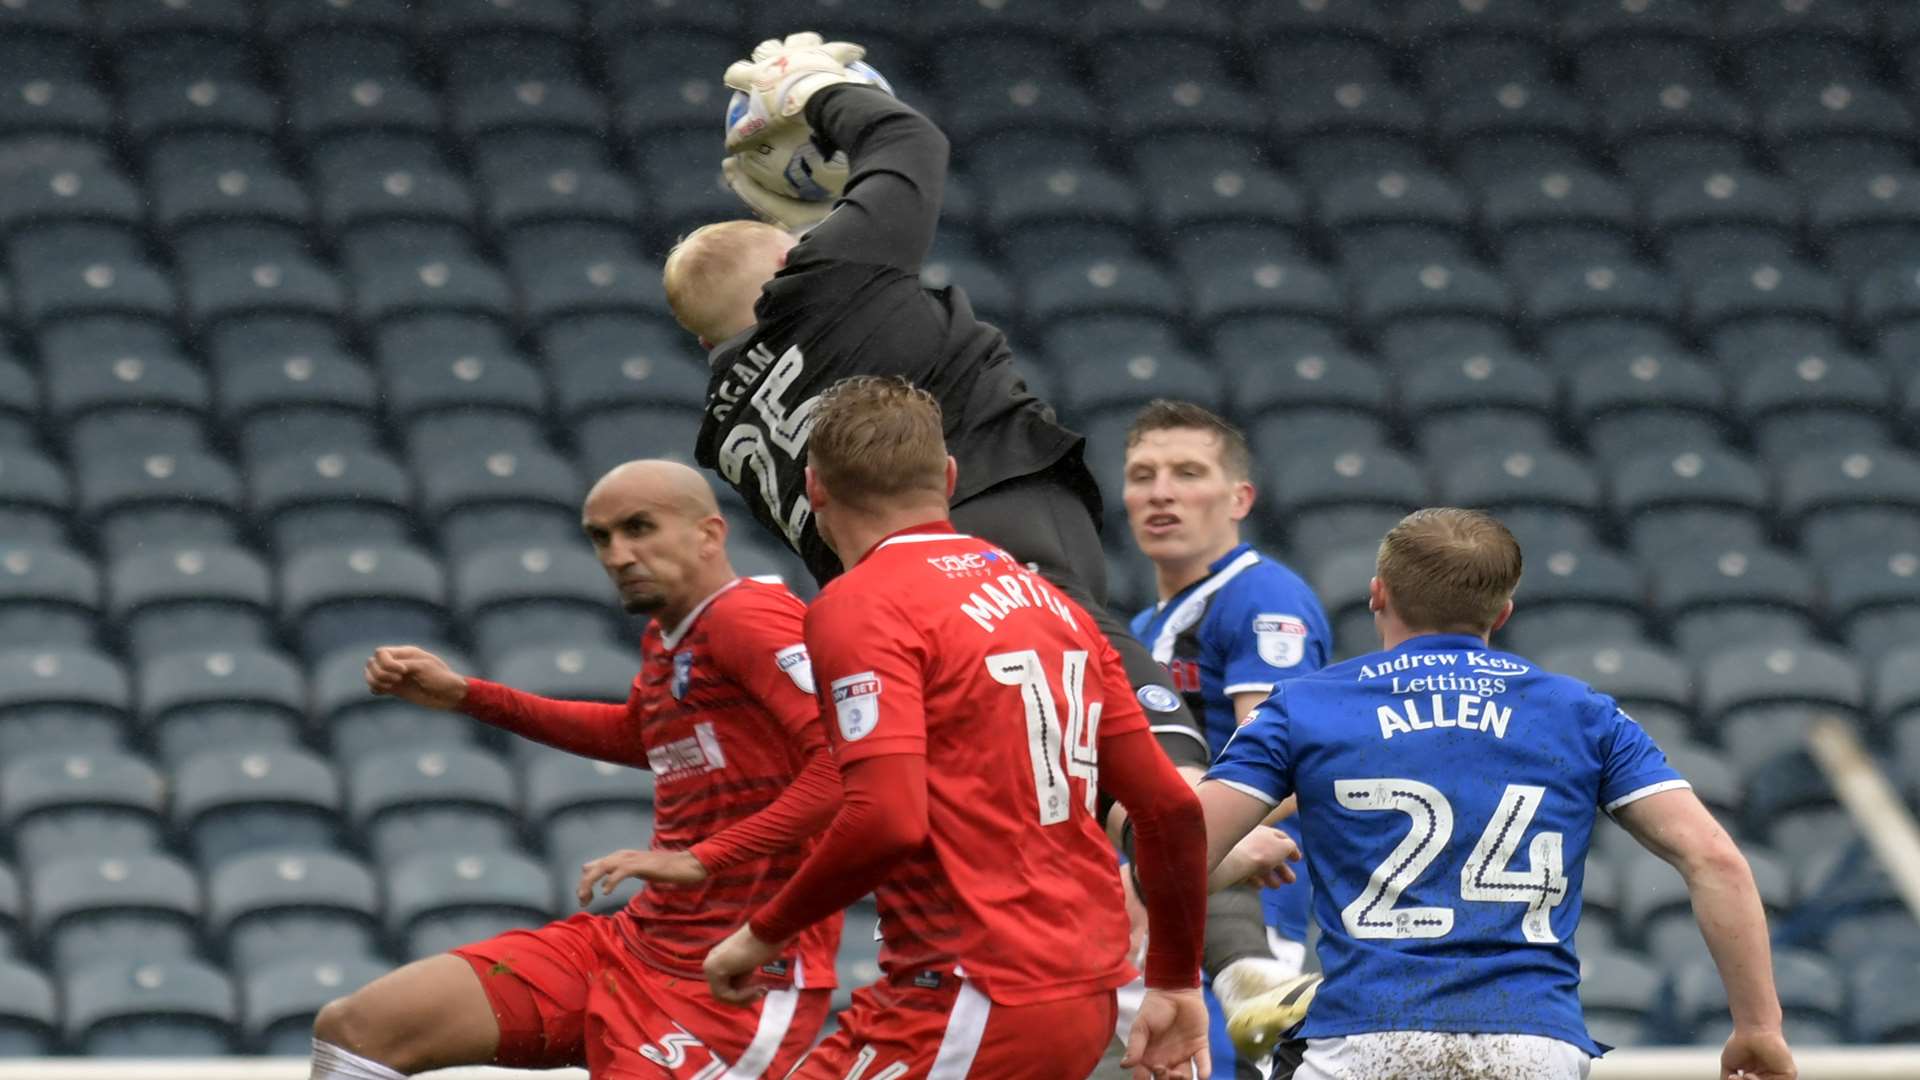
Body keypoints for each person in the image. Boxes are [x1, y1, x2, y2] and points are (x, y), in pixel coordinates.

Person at [670, 31, 1299, 1044]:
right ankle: (1190, 844)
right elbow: (910, 144)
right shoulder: (827, 280)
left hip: (896, 613)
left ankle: (1174, 886)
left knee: (1051, 767)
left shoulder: (725, 427)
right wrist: (821, 93)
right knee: (1115, 702)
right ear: (789, 265)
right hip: (992, 538)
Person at [700, 376, 1213, 1079]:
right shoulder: (1051, 604)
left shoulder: (861, 606)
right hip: (1083, 993)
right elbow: (1173, 808)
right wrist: (1177, 979)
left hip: (972, 995)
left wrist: (760, 935)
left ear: (814, 488)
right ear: (948, 476)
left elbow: (886, 818)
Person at [1196, 508, 1799, 1080]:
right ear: (1503, 612)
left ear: (1378, 593)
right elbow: (1716, 861)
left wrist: (1234, 870)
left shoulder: (1306, 706)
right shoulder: (1581, 713)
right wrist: (1759, 1027)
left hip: (1363, 1040)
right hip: (1533, 1046)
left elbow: (1174, 854)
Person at [308, 460, 843, 1080]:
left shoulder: (748, 619)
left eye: (640, 528)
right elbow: (639, 735)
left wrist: (701, 858)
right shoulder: (671, 635)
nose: (619, 554)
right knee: (357, 1029)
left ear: (709, 533)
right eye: (601, 537)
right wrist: (466, 695)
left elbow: (843, 765)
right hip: (628, 948)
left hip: (736, 979)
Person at [1118, 401, 1333, 1074]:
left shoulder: (1261, 597)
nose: (1161, 492)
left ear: (1239, 497)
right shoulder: (1144, 621)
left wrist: (1163, 858)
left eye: (1187, 472)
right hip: (1157, 897)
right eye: (1142, 474)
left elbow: (1278, 766)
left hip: (1243, 905)